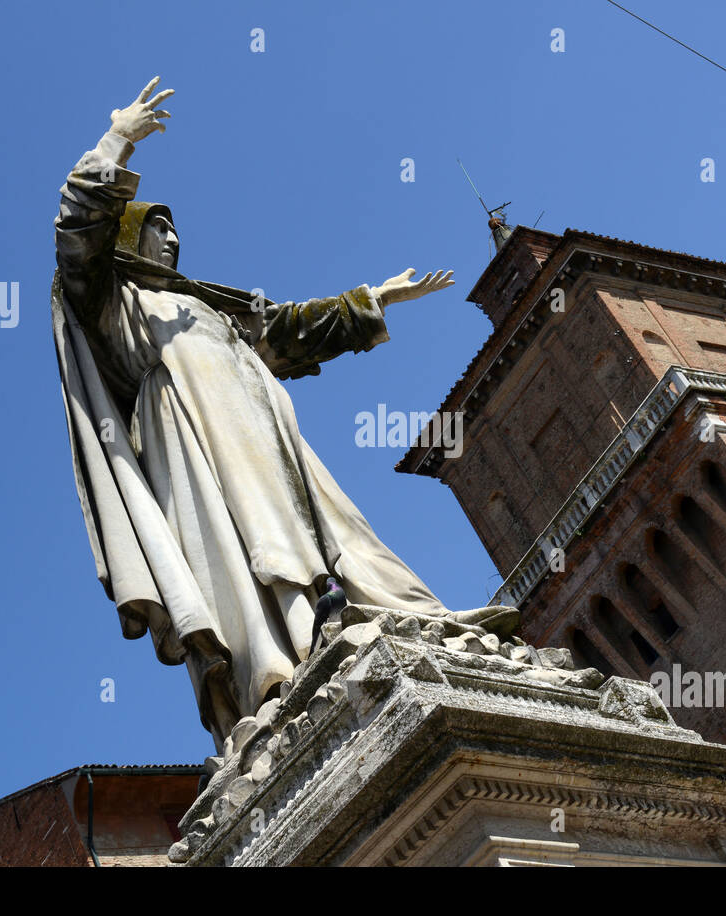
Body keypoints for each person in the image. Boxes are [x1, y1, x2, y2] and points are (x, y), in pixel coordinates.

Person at [50, 78, 517, 751]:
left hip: (264, 427)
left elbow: (286, 333)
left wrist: (372, 300)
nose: (174, 244)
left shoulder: (206, 309)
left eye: (178, 234)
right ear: (127, 237)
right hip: (192, 437)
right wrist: (117, 140)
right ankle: (290, 656)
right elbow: (74, 236)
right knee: (249, 539)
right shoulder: (110, 302)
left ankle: (392, 613)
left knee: (325, 522)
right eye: (158, 231)